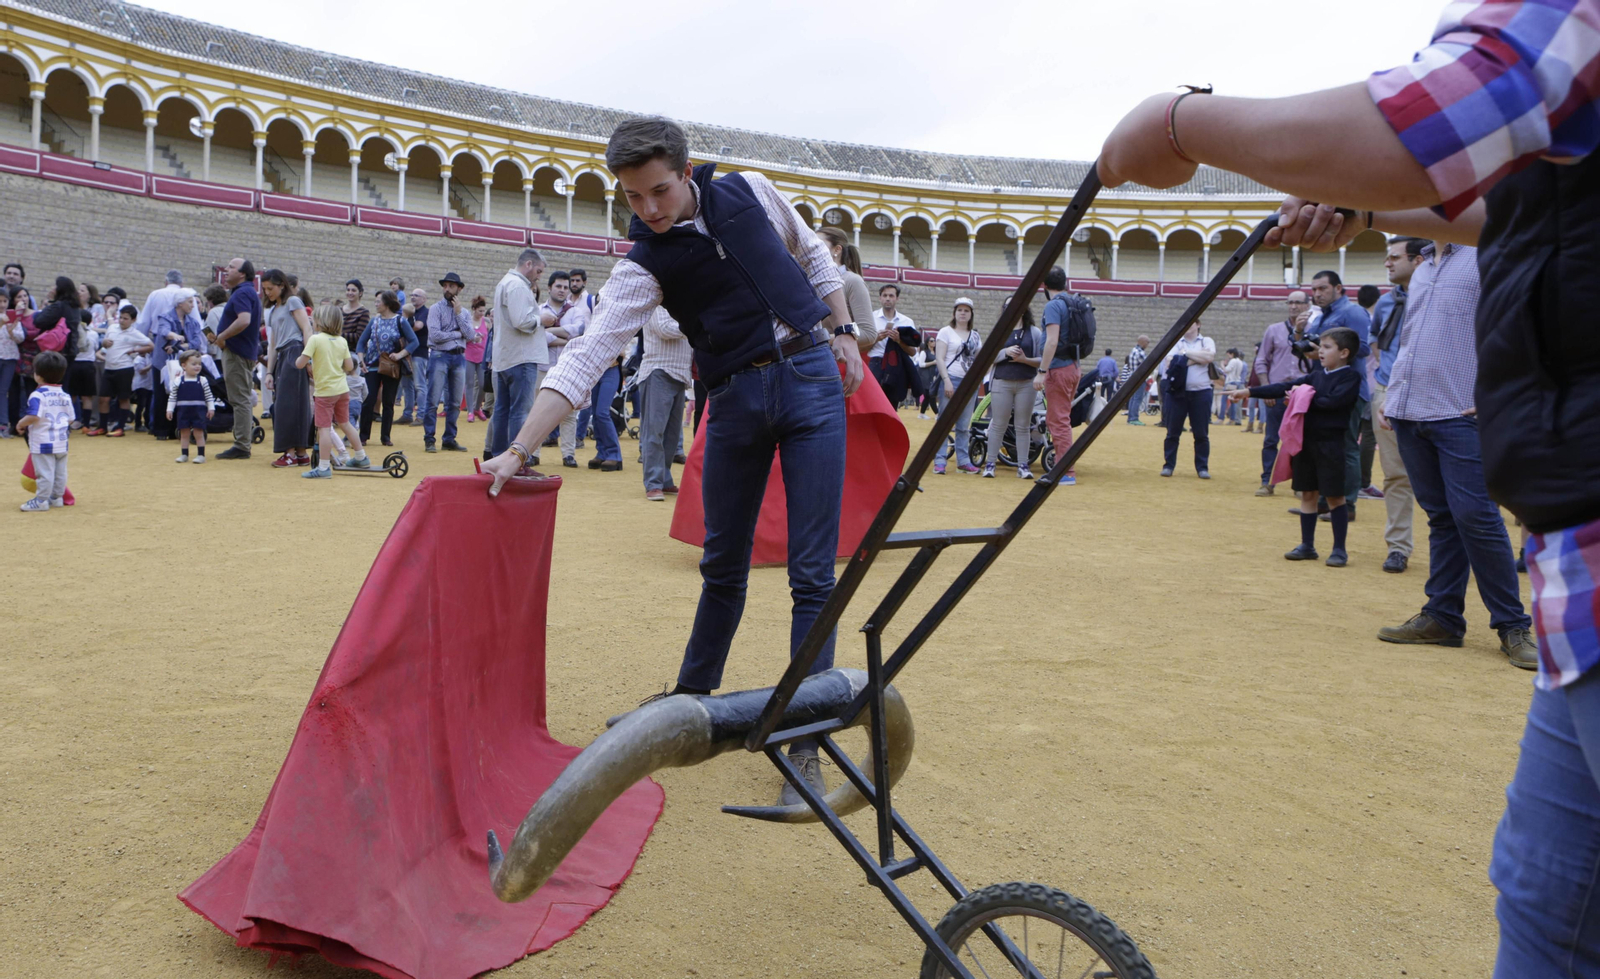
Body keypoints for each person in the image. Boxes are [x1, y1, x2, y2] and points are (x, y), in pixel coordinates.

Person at [1097, 6, 1597, 969]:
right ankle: (1473, 613)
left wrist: (1177, 122)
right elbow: (1511, 201)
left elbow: (1428, 123)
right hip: (1578, 572)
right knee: (1545, 911)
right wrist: (1365, 213)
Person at [481, 117, 863, 806]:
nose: (649, 210)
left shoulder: (751, 188)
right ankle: (686, 710)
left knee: (813, 574)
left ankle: (804, 742)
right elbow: (590, 353)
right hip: (734, 399)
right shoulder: (640, 265)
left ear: (687, 174)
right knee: (723, 566)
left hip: (809, 377)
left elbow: (813, 254)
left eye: (659, 191)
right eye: (633, 199)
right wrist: (517, 446)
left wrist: (843, 331)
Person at [1373, 240, 1536, 668]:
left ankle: (1513, 624)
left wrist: (1506, 388)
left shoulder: (1490, 252)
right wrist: (1395, 394)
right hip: (1411, 408)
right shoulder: (1425, 264)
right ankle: (1443, 616)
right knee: (1443, 517)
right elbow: (1410, 337)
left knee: (1476, 516)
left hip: (1461, 408)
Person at [1234, 328, 1362, 566]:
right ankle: (1307, 545)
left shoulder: (1350, 378)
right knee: (1308, 494)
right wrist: (1249, 391)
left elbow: (1332, 403)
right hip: (1307, 444)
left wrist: (1299, 397)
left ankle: (1339, 549)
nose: (1319, 351)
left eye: (1326, 347)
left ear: (1344, 353)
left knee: (1335, 497)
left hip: (1331, 446)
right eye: (1320, 346)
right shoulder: (1316, 376)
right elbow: (1285, 386)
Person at [1369, 237, 1423, 573]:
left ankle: (1458, 547)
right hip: (1388, 392)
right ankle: (1399, 547)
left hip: (1431, 393)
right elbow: (1377, 343)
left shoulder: (1436, 295)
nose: (1387, 263)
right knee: (1395, 475)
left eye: (1394, 257)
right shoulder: (1386, 304)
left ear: (1418, 260)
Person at [1306, 271, 1371, 519]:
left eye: (1322, 288)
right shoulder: (1319, 316)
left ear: (1339, 288)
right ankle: (1326, 500)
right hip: (1325, 387)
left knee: (1347, 448)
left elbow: (1363, 347)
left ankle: (1348, 506)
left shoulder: (1353, 312)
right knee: (1325, 447)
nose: (1317, 294)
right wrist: (1301, 334)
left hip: (1347, 389)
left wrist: (1327, 354)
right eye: (1314, 289)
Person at [296, 302, 371, 478]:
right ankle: (361, 456)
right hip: (342, 390)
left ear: (319, 322)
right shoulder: (342, 341)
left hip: (324, 392)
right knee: (345, 423)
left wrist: (304, 361)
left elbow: (300, 363)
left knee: (323, 429)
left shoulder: (315, 339)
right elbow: (349, 365)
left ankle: (323, 467)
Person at [485, 248, 547, 460]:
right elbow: (522, 321)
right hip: (521, 357)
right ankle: (516, 460)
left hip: (505, 357)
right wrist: (542, 320)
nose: (539, 276)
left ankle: (499, 457)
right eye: (538, 271)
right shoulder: (518, 286)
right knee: (520, 412)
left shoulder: (505, 282)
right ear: (528, 264)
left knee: (502, 410)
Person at [1252, 292, 1311, 495]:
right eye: (1291, 302)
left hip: (1303, 393)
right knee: (1271, 438)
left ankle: (1300, 484)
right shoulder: (1274, 330)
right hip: (1278, 391)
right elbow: (1261, 361)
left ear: (1307, 306)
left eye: (1298, 302)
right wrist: (1266, 387)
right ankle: (1267, 480)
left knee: (1302, 439)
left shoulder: (1314, 331)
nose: (1294, 306)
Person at [1036, 266, 1088, 484]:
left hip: (1058, 369)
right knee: (1061, 418)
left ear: (1044, 286)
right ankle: (1064, 467)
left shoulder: (1054, 306)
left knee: (1058, 420)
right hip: (1072, 366)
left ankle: (1066, 471)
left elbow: (1052, 341)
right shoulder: (1073, 303)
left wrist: (1041, 371)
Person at [982, 298, 1043, 480]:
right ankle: (990, 464)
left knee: (1022, 425)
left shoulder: (1035, 332)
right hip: (1002, 381)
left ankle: (1023, 466)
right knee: (998, 424)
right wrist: (1005, 353)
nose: (1012, 309)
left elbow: (1043, 359)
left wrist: (1024, 360)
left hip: (1026, 383)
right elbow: (987, 356)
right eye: (1008, 306)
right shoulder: (999, 331)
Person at [209, 257, 262, 460]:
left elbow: (244, 320)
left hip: (237, 353)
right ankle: (242, 442)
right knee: (241, 399)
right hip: (241, 352)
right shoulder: (247, 292)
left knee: (239, 400)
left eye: (231, 267)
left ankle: (241, 445)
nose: (227, 269)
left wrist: (222, 336)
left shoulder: (242, 292)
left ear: (242, 273)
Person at [261, 270, 314, 467]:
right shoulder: (274, 310)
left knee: (287, 405)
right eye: (265, 289)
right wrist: (268, 371)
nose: (267, 292)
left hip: (295, 352)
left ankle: (290, 453)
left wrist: (307, 359)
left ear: (281, 285)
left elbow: (306, 329)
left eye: (270, 288)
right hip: (283, 355)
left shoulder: (293, 302)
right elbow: (273, 343)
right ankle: (300, 453)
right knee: (292, 403)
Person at [637, 308, 690, 500]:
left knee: (672, 435)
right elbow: (664, 329)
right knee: (654, 431)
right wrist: (694, 325)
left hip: (680, 373)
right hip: (658, 370)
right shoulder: (658, 304)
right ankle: (653, 483)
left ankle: (665, 479)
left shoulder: (684, 303)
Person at [355, 291, 418, 447]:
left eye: (378, 301)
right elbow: (361, 342)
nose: (376, 304)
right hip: (372, 366)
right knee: (368, 401)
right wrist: (361, 360)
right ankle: (363, 436)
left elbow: (414, 342)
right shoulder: (374, 321)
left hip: (391, 366)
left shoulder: (400, 321)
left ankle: (385, 436)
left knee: (388, 402)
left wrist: (400, 354)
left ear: (387, 303)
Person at [423, 273, 475, 453]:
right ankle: (429, 439)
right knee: (433, 399)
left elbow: (471, 336)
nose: (447, 289)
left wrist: (459, 314)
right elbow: (435, 336)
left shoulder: (465, 312)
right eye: (445, 286)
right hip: (439, 355)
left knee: (454, 402)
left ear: (459, 289)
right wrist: (457, 334)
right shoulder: (435, 309)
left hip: (459, 357)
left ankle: (449, 439)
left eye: (451, 286)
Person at [1158, 319, 1215, 478]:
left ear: (1198, 324)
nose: (1187, 325)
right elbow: (1170, 362)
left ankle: (1202, 467)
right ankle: (1168, 465)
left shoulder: (1206, 340)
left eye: (1191, 322)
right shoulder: (1176, 341)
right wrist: (1198, 357)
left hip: (1201, 392)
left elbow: (1209, 357)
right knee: (1172, 432)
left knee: (1201, 433)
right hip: (1178, 392)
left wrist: (1184, 355)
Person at [17, 350, 72, 512]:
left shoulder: (38, 395)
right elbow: (71, 418)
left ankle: (41, 500)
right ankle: (57, 497)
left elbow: (34, 415)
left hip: (43, 442)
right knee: (60, 471)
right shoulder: (65, 395)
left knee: (45, 472)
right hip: (61, 441)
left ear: (38, 375)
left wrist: (21, 423)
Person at [933, 297, 981, 475]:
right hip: (951, 378)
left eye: (966, 310)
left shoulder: (975, 335)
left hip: (969, 382)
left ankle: (963, 460)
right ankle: (939, 459)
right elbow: (940, 358)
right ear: (954, 312)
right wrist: (946, 380)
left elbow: (978, 359)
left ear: (971, 314)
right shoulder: (945, 332)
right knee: (944, 421)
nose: (962, 313)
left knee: (963, 424)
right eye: (959, 310)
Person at [97, 303, 151, 436]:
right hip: (109, 368)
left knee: (123, 398)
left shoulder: (135, 333)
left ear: (133, 320)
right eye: (121, 317)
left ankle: (120, 427)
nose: (122, 320)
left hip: (124, 368)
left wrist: (135, 350)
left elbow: (151, 345)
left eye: (125, 318)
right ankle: (103, 426)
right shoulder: (112, 328)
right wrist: (104, 343)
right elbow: (105, 343)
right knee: (103, 398)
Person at [166, 349, 214, 463]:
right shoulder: (178, 380)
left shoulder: (203, 380)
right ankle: (184, 454)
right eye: (194, 364)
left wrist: (211, 408)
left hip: (199, 411)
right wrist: (169, 409)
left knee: (199, 433)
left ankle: (201, 455)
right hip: (183, 411)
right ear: (184, 365)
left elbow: (209, 396)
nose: (197, 366)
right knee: (184, 433)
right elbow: (172, 397)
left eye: (199, 364)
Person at [399, 286, 428, 425]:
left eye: (416, 295)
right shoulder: (409, 313)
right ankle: (407, 414)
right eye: (411, 295)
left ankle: (421, 415)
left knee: (419, 385)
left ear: (424, 299)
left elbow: (419, 326)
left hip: (419, 353)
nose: (413, 297)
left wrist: (404, 323)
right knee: (407, 385)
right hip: (406, 353)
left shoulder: (424, 312)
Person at [464, 295, 489, 421]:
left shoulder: (486, 322)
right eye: (480, 311)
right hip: (469, 355)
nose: (482, 313)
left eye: (483, 311)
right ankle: (470, 411)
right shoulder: (468, 321)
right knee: (469, 383)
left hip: (482, 356)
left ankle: (477, 407)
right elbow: (463, 336)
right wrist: (472, 338)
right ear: (474, 309)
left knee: (483, 384)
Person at [1122, 335, 1149, 424]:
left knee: (1133, 398)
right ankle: (1133, 418)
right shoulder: (1140, 352)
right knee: (1137, 398)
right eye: (1147, 342)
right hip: (1139, 378)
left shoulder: (1133, 350)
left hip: (1132, 377)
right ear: (1143, 342)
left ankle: (1131, 417)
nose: (1147, 344)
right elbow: (1146, 366)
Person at [340, 279, 371, 351]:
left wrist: (338, 335)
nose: (350, 293)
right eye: (348, 290)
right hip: (338, 349)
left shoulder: (364, 312)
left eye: (353, 290)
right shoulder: (339, 310)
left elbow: (359, 336)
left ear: (360, 293)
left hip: (353, 351)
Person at [1220, 348, 1247, 424]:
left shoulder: (1232, 361)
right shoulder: (1240, 362)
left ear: (1232, 354)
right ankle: (1232, 419)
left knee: (1224, 400)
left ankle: (1221, 418)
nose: (1228, 357)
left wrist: (1222, 365)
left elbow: (1226, 370)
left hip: (1230, 382)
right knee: (1233, 401)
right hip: (1237, 381)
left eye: (1228, 354)